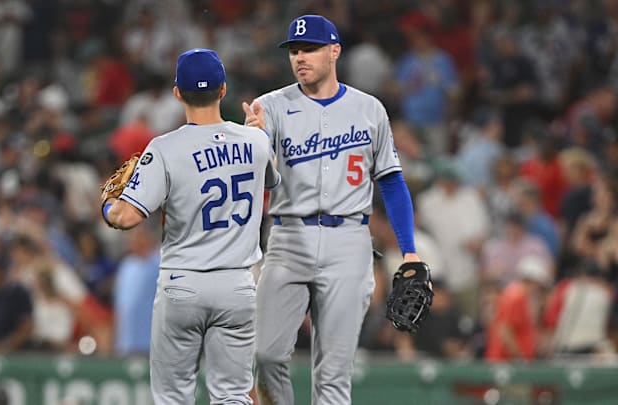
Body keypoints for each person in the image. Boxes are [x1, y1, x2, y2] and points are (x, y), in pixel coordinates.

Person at [242, 15, 425, 405]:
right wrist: (254, 142)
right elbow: (256, 174)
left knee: (334, 373)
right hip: (288, 237)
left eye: (309, 49)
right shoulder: (270, 106)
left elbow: (391, 181)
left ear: (334, 50)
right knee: (265, 353)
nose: (300, 57)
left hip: (349, 240)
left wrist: (408, 249)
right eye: (294, 50)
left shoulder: (369, 109)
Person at [102, 48, 280, 405]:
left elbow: (126, 218)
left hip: (183, 283)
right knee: (233, 396)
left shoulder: (166, 148)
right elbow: (272, 178)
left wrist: (107, 203)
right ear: (223, 90)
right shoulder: (256, 142)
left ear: (177, 93)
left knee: (173, 398)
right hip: (238, 285)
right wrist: (257, 132)